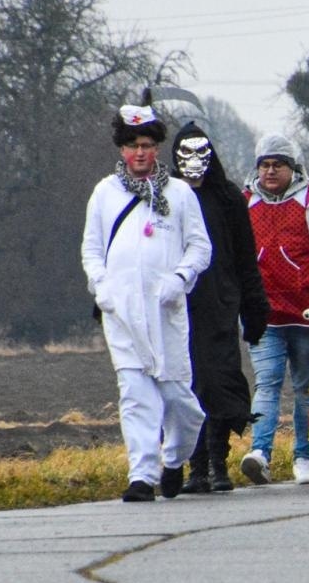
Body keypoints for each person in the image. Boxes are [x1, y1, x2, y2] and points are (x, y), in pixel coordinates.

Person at [81, 102, 211, 501]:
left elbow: (199, 247)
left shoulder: (180, 194)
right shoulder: (105, 193)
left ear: (157, 148)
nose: (140, 153)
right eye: (133, 145)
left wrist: (180, 278)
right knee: (136, 395)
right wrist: (101, 288)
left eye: (147, 145)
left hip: (166, 314)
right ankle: (142, 475)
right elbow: (91, 250)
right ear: (122, 149)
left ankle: (174, 459)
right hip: (122, 315)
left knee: (179, 401)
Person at [169, 123, 270, 493]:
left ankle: (217, 462)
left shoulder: (228, 198)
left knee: (217, 381)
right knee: (186, 383)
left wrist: (254, 305)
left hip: (220, 301)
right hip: (179, 305)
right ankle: (194, 467)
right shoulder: (167, 197)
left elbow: (245, 257)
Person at [241, 133, 309, 485]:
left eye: (277, 164)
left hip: (308, 312)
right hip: (264, 315)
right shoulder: (245, 202)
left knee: (306, 387)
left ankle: (304, 455)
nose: (269, 171)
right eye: (264, 165)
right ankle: (260, 452)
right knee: (267, 383)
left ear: (292, 168)